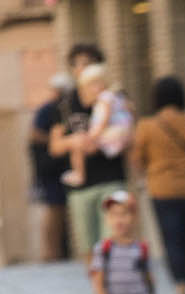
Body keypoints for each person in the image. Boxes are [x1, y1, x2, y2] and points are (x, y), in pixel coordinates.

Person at [130, 76, 185, 294]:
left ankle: (180, 286)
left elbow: (137, 160)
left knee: (171, 239)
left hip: (162, 189)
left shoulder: (146, 126)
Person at [52, 59, 131, 263]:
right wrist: (75, 141)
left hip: (111, 179)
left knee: (112, 238)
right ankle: (99, 289)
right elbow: (55, 146)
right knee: (88, 245)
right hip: (82, 190)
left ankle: (112, 283)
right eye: (79, 66)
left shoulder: (112, 99)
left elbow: (130, 133)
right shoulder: (66, 106)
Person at [28, 73, 74, 261]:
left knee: (61, 209)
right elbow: (34, 135)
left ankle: (61, 251)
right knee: (53, 208)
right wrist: (58, 141)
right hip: (50, 168)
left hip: (63, 165)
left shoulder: (65, 109)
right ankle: (51, 252)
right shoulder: (47, 110)